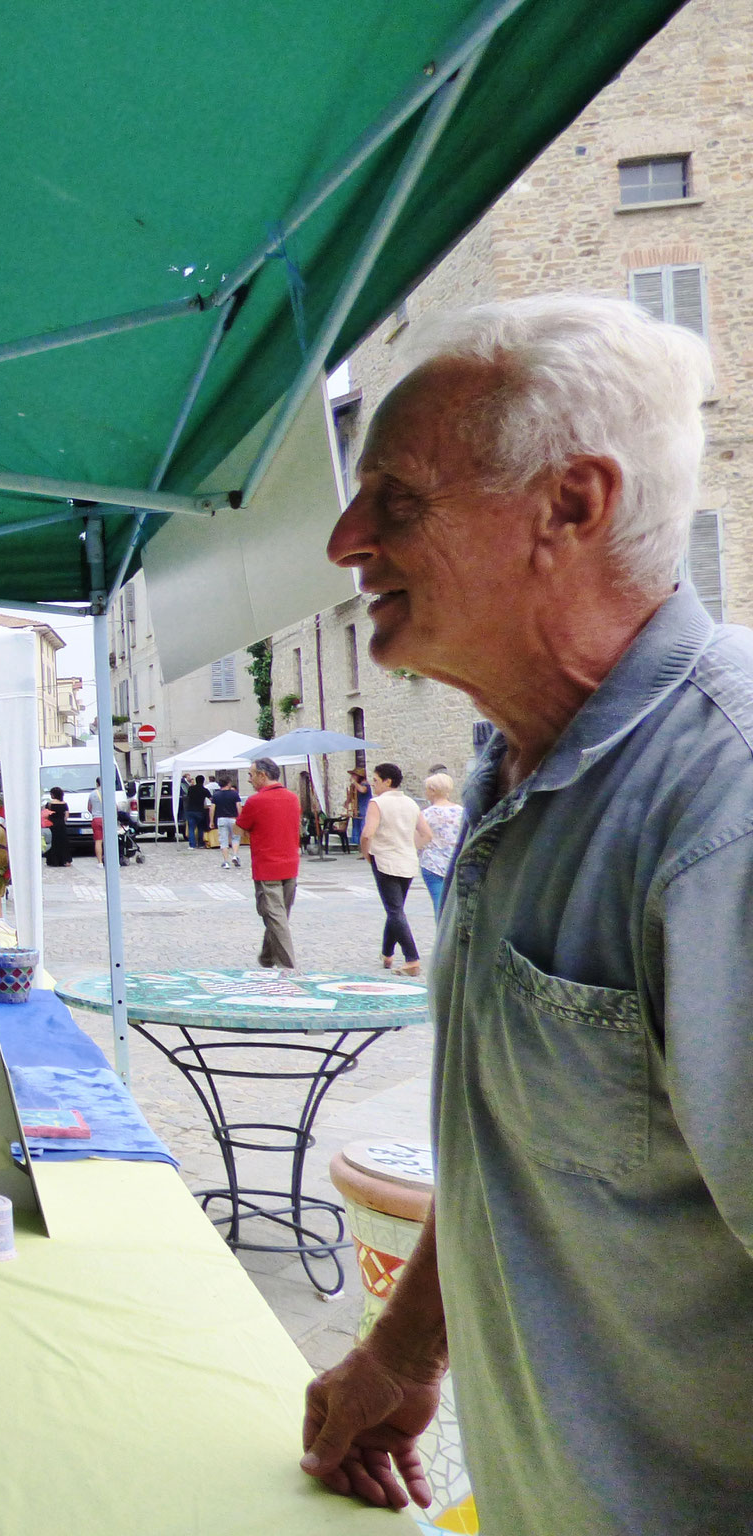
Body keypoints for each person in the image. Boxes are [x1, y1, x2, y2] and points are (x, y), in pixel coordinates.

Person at [300, 295, 753, 1533]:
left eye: (395, 499)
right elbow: (530, 1140)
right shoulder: (515, 773)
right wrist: (402, 1350)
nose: (345, 539)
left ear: (570, 506)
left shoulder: (725, 813)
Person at [234, 758, 302, 968]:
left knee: (275, 916)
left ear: (262, 775)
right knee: (279, 915)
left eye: (251, 774)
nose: (250, 779)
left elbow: (238, 830)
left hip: (267, 866)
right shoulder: (293, 798)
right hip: (290, 864)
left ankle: (287, 965)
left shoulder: (256, 801)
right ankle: (266, 956)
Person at [358, 762, 422, 975]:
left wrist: (367, 852)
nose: (373, 784)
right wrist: (410, 846)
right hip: (407, 859)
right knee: (396, 908)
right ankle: (387, 953)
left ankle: (412, 958)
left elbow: (368, 833)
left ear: (387, 781)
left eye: (376, 780)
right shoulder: (411, 803)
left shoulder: (378, 803)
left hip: (385, 859)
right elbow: (427, 833)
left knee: (394, 909)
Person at [416, 772, 463, 914]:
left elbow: (419, 838)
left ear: (432, 791)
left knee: (439, 905)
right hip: (456, 861)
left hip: (433, 863)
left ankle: (441, 934)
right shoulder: (462, 812)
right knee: (455, 907)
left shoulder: (426, 814)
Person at [210, 773, 243, 870]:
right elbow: (239, 807)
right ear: (228, 784)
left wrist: (211, 821)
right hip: (233, 819)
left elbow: (212, 809)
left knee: (223, 840)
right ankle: (235, 855)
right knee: (235, 838)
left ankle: (226, 861)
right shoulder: (234, 794)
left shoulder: (216, 795)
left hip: (221, 819)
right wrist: (240, 818)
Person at [43, 786, 75, 867]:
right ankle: (65, 860)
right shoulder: (64, 804)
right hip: (61, 825)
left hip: (52, 825)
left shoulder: (49, 804)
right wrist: (62, 821)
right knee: (63, 843)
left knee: (54, 843)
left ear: (53, 795)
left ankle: (54, 861)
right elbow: (66, 815)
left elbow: (46, 815)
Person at [182, 774, 211, 850]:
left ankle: (192, 845)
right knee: (200, 828)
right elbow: (211, 799)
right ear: (203, 781)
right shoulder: (205, 790)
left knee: (191, 828)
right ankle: (201, 844)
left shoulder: (191, 789)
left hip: (190, 810)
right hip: (200, 811)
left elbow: (188, 797)